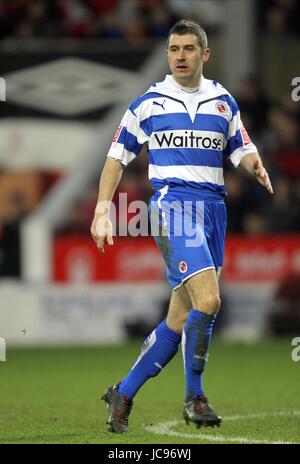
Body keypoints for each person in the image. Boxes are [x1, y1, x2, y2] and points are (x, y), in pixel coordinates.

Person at [90, 19, 273, 433]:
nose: (180, 56)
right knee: (209, 302)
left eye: (189, 49)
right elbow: (116, 157)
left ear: (204, 54)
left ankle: (124, 391)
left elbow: (241, 145)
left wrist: (253, 162)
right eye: (174, 49)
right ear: (167, 54)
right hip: (172, 207)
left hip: (214, 211)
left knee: (181, 317)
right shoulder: (148, 103)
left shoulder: (223, 101)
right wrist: (103, 209)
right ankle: (195, 396)